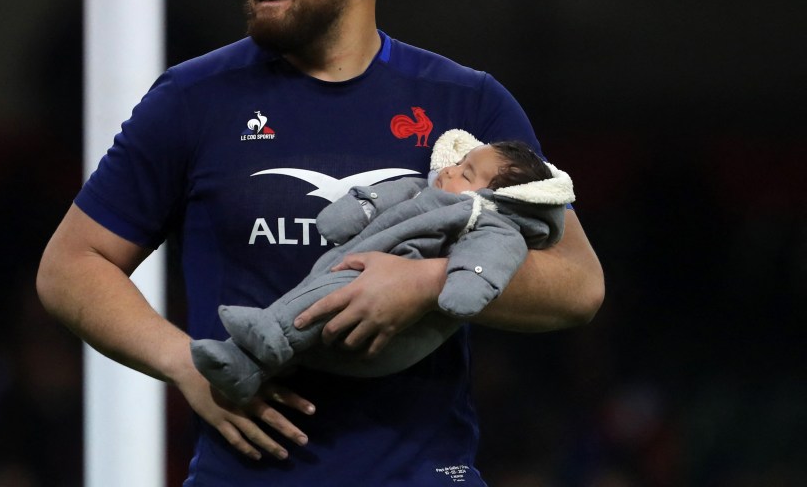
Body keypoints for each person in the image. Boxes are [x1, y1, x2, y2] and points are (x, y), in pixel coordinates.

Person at [36, 0, 603, 487]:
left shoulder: (466, 104)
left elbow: (578, 284)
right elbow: (70, 265)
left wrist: (428, 281)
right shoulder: (193, 99)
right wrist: (185, 364)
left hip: (421, 473)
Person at [190, 131, 576, 404]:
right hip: (345, 273)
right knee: (324, 295)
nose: (452, 170)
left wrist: (437, 282)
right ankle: (245, 364)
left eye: (467, 174)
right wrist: (355, 210)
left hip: (387, 331)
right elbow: (373, 200)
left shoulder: (487, 222)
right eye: (460, 161)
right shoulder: (421, 190)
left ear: (496, 196)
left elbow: (487, 261)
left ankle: (271, 332)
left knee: (331, 297)